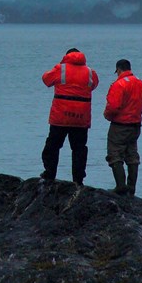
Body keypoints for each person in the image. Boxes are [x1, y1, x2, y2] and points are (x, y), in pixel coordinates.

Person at [40, 48, 99, 185]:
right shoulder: (90, 72)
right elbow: (94, 85)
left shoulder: (61, 69)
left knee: (52, 146)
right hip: (81, 117)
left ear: (66, 57)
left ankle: (49, 174)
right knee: (79, 149)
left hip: (60, 116)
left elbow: (46, 79)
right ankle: (78, 180)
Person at [103, 59, 142, 196]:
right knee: (132, 154)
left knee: (115, 154)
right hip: (135, 125)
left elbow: (113, 106)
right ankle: (131, 187)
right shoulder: (141, 84)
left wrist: (107, 115)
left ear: (119, 69)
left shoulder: (119, 84)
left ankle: (121, 186)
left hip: (120, 125)